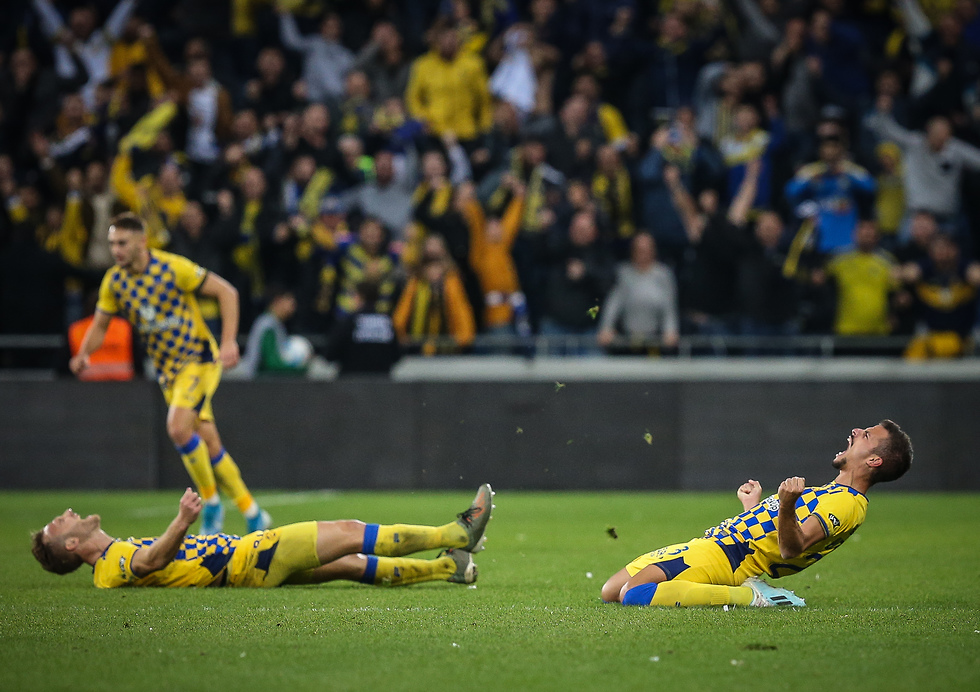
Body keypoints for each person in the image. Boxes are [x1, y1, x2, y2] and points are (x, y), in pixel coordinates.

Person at [68, 212, 270, 535]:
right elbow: (100, 325)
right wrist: (83, 354)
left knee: (177, 428)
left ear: (142, 241)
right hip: (168, 372)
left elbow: (227, 293)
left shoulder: (173, 268)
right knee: (208, 441)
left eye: (122, 243)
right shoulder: (114, 282)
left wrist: (229, 341)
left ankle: (211, 505)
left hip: (199, 359)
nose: (116, 250)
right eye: (112, 243)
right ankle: (253, 513)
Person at [601, 421, 912, 608]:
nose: (856, 431)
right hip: (718, 544)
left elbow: (792, 549)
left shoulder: (847, 503)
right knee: (611, 591)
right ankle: (745, 588)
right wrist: (753, 506)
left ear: (874, 461)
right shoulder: (830, 493)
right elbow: (772, 538)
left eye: (866, 435)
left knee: (634, 594)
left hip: (727, 555)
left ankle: (750, 597)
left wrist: (786, 503)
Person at [31, 484, 493, 589]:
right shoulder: (110, 566)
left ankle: (446, 567)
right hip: (249, 557)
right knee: (352, 533)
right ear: (71, 546)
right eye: (60, 522)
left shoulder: (111, 558)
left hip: (247, 570)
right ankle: (458, 532)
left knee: (349, 566)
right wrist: (182, 520)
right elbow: (151, 562)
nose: (68, 513)